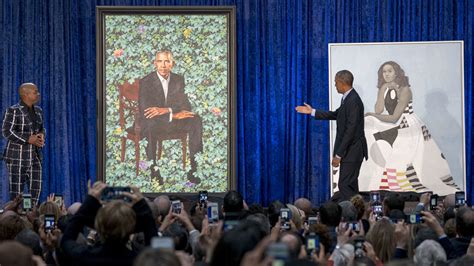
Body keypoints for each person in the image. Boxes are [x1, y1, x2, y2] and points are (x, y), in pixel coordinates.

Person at [362, 61, 458, 194]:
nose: (387, 74)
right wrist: (382, 90)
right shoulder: (384, 88)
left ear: (396, 72)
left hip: (407, 126)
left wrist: (372, 114)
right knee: (369, 122)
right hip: (395, 124)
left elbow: (395, 117)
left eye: (390, 71)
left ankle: (401, 186)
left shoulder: (405, 90)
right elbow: (378, 110)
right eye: (384, 72)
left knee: (400, 158)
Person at [296, 70, 367, 202]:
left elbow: (350, 131)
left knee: (344, 185)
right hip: (351, 151)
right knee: (350, 185)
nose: (335, 85)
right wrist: (312, 112)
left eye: (336, 82)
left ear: (342, 83)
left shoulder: (353, 101)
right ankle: (356, 213)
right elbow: (336, 114)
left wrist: (338, 155)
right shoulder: (348, 98)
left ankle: (350, 214)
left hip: (353, 151)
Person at [139, 49, 203, 185]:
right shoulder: (146, 81)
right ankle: (154, 171)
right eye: (160, 61)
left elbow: (184, 105)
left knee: (196, 119)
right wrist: (173, 114)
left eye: (167, 61)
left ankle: (194, 169)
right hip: (153, 122)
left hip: (171, 120)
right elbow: (147, 111)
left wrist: (165, 111)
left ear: (172, 64)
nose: (163, 65)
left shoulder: (179, 79)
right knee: (149, 125)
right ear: (154, 63)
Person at [2, 83, 45, 205]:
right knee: (17, 194)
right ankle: (16, 220)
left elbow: (41, 128)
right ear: (25, 94)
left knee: (35, 191)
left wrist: (42, 135)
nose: (38, 94)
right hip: (17, 158)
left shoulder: (38, 111)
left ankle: (30, 217)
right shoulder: (13, 110)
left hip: (35, 157)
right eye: (35, 92)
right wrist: (27, 138)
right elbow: (6, 131)